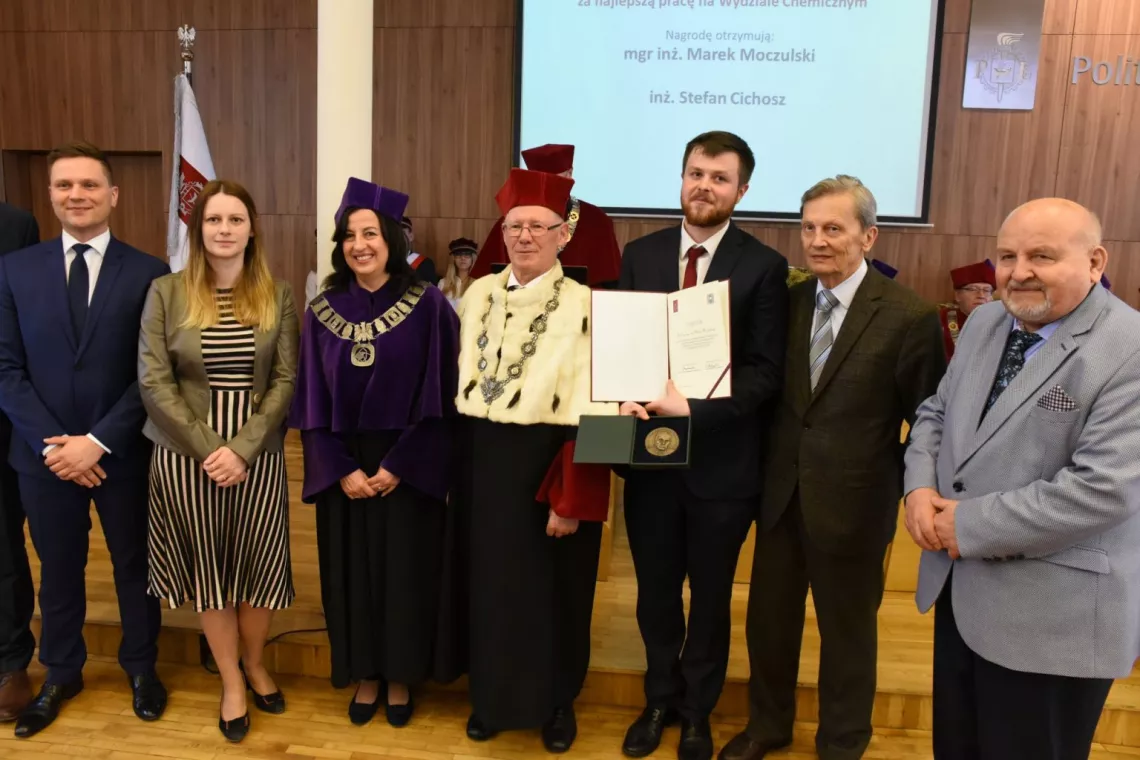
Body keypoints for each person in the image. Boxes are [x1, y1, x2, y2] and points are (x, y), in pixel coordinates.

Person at [903, 199, 1140, 760]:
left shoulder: (1128, 348)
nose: (1019, 271)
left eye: (1042, 256)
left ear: (1094, 261)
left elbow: (1103, 489)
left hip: (1054, 620)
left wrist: (966, 524)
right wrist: (916, 487)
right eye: (1007, 255)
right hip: (962, 599)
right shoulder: (986, 321)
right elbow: (937, 412)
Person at [720, 175, 946, 760]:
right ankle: (767, 727)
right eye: (809, 228)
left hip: (855, 505)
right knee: (769, 626)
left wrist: (890, 483)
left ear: (868, 236)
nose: (817, 241)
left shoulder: (909, 316)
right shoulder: (786, 301)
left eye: (834, 229)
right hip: (780, 498)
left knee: (847, 635)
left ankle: (843, 741)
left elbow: (929, 418)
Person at [617, 131, 788, 760]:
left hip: (722, 469)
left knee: (710, 597)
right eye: (696, 173)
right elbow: (622, 344)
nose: (704, 186)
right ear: (680, 177)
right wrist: (623, 393)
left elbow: (766, 372)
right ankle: (657, 698)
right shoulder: (641, 254)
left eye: (720, 178)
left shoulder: (763, 267)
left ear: (742, 191)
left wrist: (697, 407)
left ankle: (697, 711)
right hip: (651, 463)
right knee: (656, 592)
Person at [0, 141, 169, 738]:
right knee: (58, 570)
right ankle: (61, 672)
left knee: (133, 566)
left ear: (113, 195)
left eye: (89, 185)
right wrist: (59, 445)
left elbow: (151, 375)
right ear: (49, 195)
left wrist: (96, 442)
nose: (77, 195)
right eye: (65, 185)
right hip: (42, 459)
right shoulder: (14, 270)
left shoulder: (151, 273)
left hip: (122, 454)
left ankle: (142, 668)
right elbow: (5, 369)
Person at [288, 177, 462, 729]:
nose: (358, 244)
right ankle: (364, 671)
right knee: (352, 574)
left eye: (369, 233)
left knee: (406, 573)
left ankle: (402, 673)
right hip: (345, 465)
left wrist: (399, 466)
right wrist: (339, 469)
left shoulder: (429, 304)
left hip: (408, 463)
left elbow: (442, 395)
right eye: (348, 236)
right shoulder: (322, 310)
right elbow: (310, 400)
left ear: (390, 237)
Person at [454, 167, 615, 752]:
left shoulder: (587, 306)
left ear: (563, 233)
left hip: (553, 465)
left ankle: (556, 703)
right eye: (514, 226)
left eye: (538, 227)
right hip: (485, 465)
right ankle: (491, 699)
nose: (524, 236)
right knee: (491, 588)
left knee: (556, 595)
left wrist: (572, 498)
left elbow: (600, 409)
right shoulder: (477, 295)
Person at [138, 179, 299, 742]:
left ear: (252, 228)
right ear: (198, 228)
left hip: (257, 452)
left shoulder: (277, 294)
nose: (224, 230)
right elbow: (154, 381)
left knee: (258, 567)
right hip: (187, 453)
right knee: (211, 570)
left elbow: (285, 380)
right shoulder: (166, 292)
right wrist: (214, 450)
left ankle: (255, 663)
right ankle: (231, 679)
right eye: (213, 220)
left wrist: (244, 448)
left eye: (235, 220)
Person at [469, 143, 622, 287]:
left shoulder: (596, 220)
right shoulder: (512, 220)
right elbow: (489, 281)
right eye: (541, 180)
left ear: (570, 174)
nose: (548, 187)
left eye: (555, 180)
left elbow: (610, 286)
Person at [0, 202, 39, 723]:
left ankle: (9, 662)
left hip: (6, 412)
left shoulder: (13, 225)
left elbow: (29, 323)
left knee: (5, 542)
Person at [939, 261, 995, 359]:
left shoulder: (1002, 323)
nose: (981, 296)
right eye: (972, 289)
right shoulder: (940, 320)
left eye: (986, 290)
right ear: (957, 295)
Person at [439, 237, 478, 310]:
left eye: (467, 254)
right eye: (458, 254)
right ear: (453, 259)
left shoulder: (480, 283)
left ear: (473, 258)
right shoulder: (443, 283)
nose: (463, 258)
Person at [400, 216, 439, 285]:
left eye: (402, 233)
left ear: (411, 236)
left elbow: (430, 293)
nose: (398, 236)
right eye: (394, 233)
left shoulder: (424, 264)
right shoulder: (382, 262)